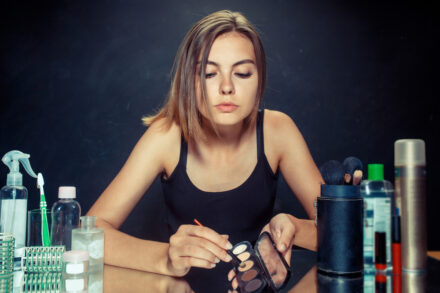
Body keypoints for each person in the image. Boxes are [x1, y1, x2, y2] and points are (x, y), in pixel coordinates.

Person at [87, 10, 323, 279]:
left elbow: (350, 234)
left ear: (260, 81)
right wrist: (165, 258)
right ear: (190, 81)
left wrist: (294, 227)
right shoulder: (166, 136)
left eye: (242, 73)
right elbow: (89, 235)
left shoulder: (278, 130)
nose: (226, 87)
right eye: (209, 74)